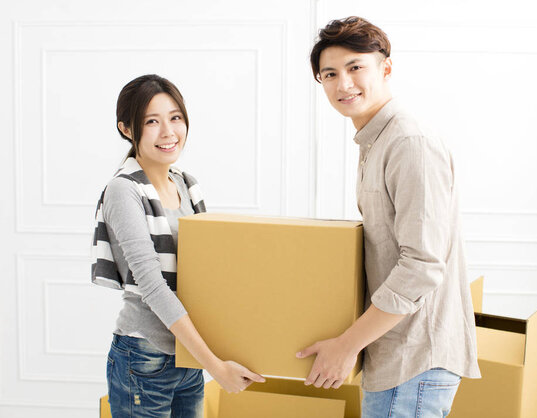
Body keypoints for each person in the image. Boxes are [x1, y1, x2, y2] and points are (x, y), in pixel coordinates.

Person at [296, 17, 480, 417]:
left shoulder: (409, 142)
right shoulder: (375, 142)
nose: (343, 84)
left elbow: (421, 266)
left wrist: (346, 345)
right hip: (395, 356)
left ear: (386, 68)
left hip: (414, 359)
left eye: (355, 67)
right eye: (329, 74)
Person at [91, 74, 264, 417]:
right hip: (145, 356)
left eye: (175, 117)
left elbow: (207, 273)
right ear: (127, 129)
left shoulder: (187, 184)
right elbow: (153, 285)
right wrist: (215, 365)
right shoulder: (124, 190)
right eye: (151, 122)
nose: (168, 132)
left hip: (189, 357)